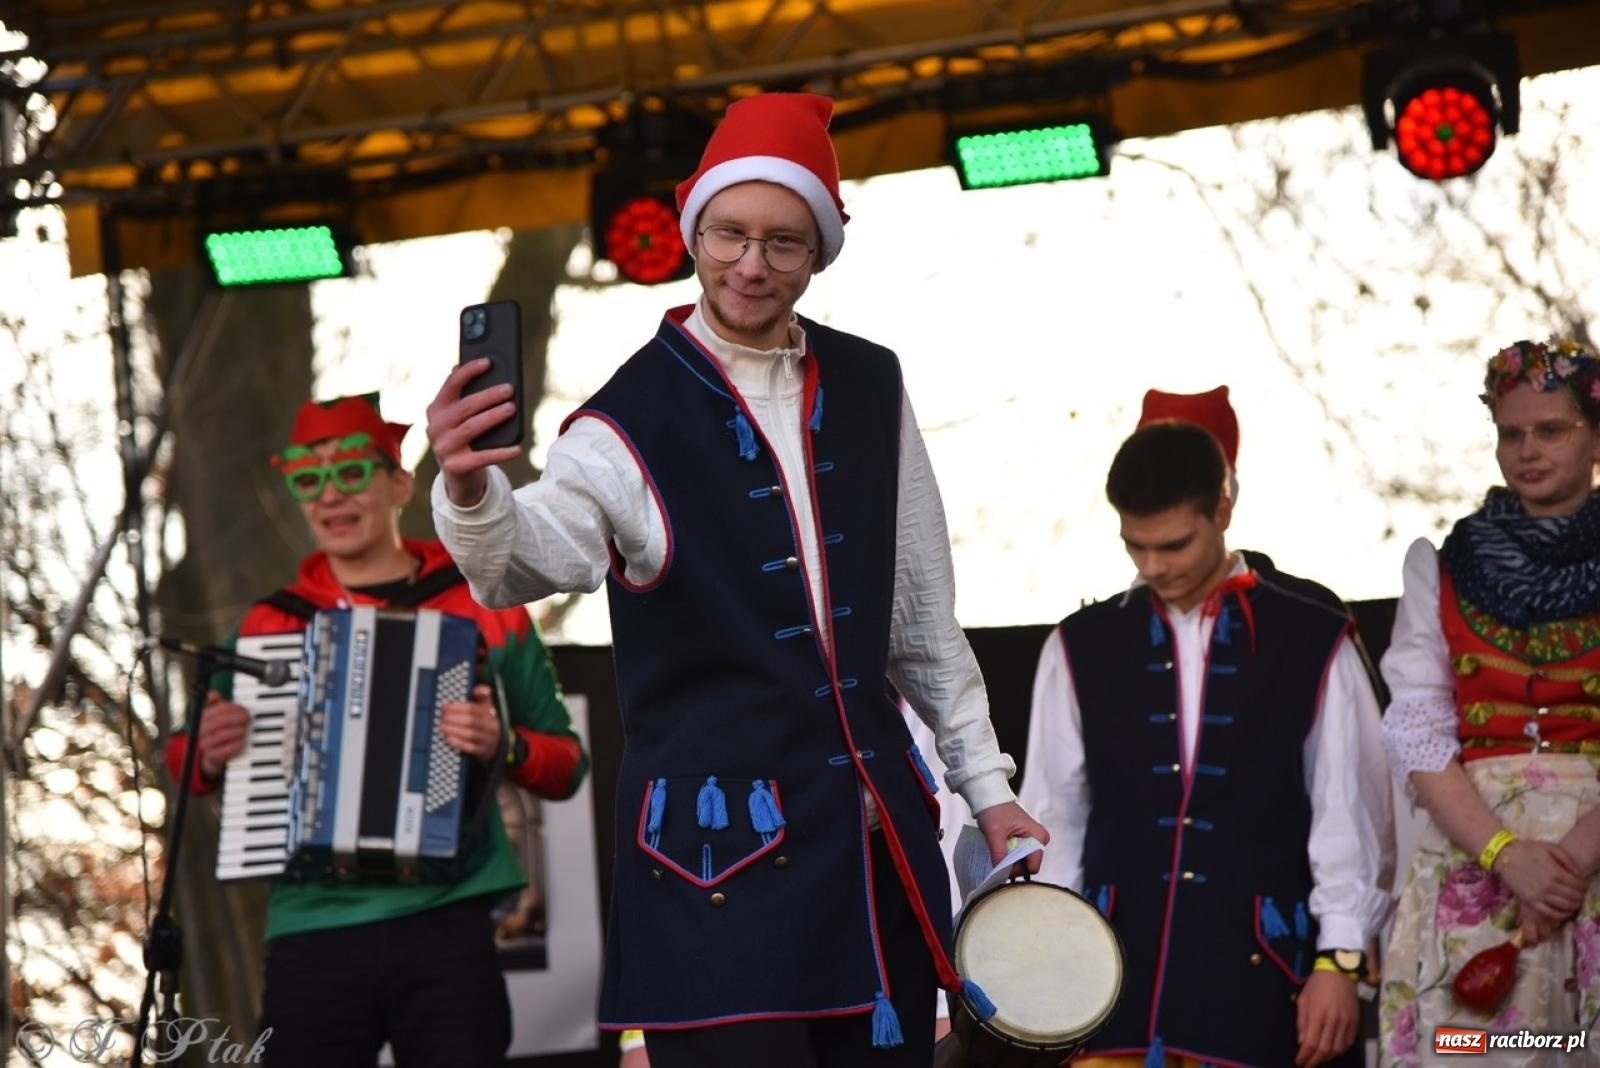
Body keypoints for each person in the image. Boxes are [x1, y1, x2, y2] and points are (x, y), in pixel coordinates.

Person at [425, 91, 1048, 1068]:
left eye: (782, 241)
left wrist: (986, 788)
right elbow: (523, 562)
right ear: (693, 233)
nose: (751, 264)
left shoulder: (872, 387)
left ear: (820, 250)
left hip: (871, 855)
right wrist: (468, 488)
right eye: (729, 235)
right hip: (713, 869)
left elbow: (922, 625)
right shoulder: (623, 419)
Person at [164, 393, 589, 1067]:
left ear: (398, 484)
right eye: (310, 479)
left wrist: (502, 744)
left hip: (448, 921)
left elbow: (567, 764)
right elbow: (183, 763)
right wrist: (208, 752)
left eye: (351, 472)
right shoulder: (271, 624)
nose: (330, 495)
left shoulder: (482, 601)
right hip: (312, 928)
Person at [1017, 393, 1393, 1068]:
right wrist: (1053, 966)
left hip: (1264, 980)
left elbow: (1351, 814)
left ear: (1223, 511)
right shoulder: (1078, 644)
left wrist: (1338, 960)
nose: (1154, 567)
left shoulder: (1313, 638)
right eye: (1135, 546)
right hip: (1110, 987)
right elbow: (1057, 817)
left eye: (1174, 545)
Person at [1378, 338, 1600, 1065]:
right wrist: (1508, 857)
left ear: (1596, 438)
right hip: (1478, 853)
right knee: (1471, 1047)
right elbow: (1418, 728)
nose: (1527, 451)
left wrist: (1568, 863)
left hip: (1592, 853)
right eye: (1511, 434)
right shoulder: (1441, 568)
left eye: (1551, 430)